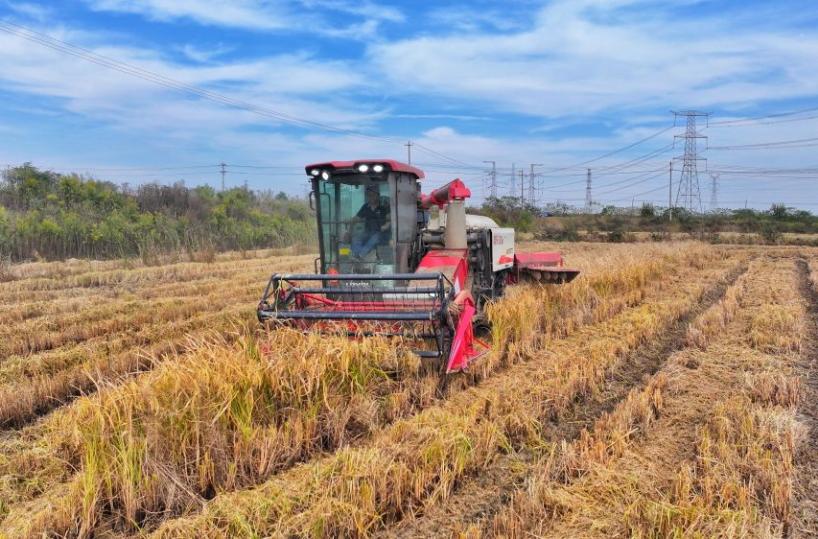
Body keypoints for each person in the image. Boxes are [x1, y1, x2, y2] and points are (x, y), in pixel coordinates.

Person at [351, 187, 390, 259]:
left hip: (381, 232)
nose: (370, 197)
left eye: (372, 195)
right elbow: (357, 218)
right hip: (368, 231)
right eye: (369, 195)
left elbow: (389, 220)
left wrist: (385, 226)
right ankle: (355, 255)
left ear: (378, 195)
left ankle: (361, 255)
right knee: (357, 237)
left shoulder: (384, 207)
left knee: (374, 238)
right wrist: (349, 221)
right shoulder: (365, 207)